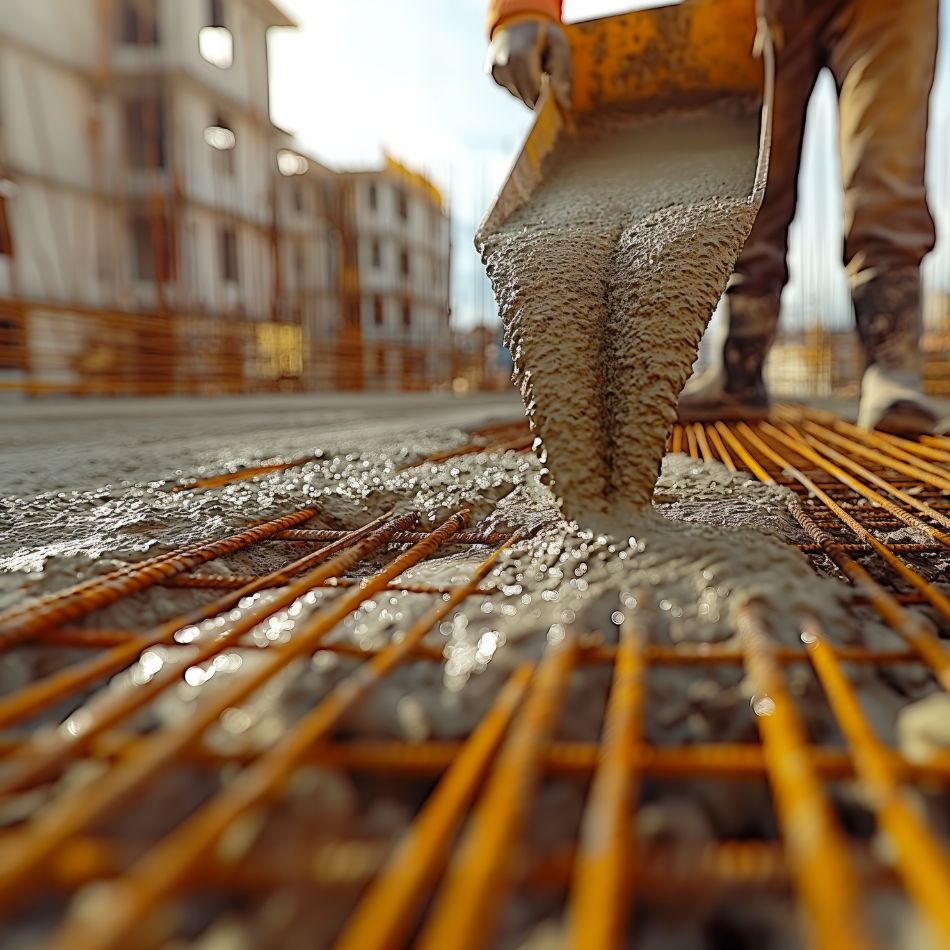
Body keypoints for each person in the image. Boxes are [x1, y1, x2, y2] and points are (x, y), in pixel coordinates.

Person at [485, 0, 940, 434]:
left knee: (886, 169)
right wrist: (521, 11)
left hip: (888, 10)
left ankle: (893, 367)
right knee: (751, 171)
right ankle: (740, 367)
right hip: (758, 11)